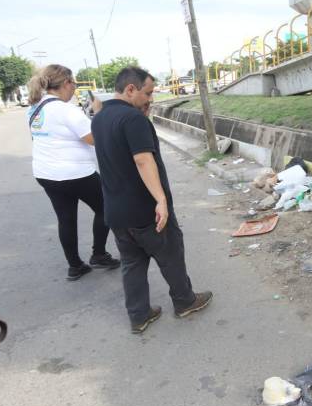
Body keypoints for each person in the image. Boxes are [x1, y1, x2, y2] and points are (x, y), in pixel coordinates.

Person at [91, 66, 212, 334]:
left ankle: (139, 315)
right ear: (130, 89)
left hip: (116, 212)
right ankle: (185, 302)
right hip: (145, 211)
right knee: (171, 254)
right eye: (148, 93)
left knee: (131, 264)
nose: (151, 100)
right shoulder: (133, 120)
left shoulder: (99, 118)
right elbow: (143, 160)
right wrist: (161, 200)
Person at [27, 64, 120, 281]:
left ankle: (75, 266)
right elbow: (95, 139)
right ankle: (98, 254)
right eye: (74, 84)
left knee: (65, 219)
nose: (75, 89)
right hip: (76, 174)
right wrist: (97, 113)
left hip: (46, 174)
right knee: (106, 207)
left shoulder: (34, 109)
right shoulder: (67, 110)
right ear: (66, 83)